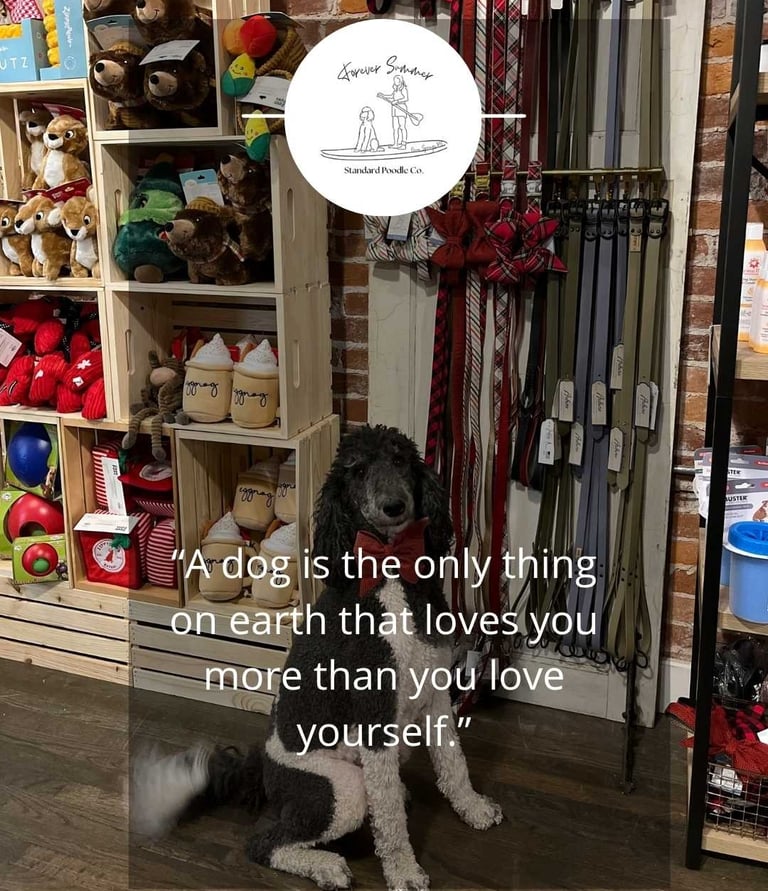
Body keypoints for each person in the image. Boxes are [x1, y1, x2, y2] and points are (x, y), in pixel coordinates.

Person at [377, 75, 408, 149]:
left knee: (402, 126)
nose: (395, 81)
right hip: (394, 110)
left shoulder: (403, 89)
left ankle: (403, 144)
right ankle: (396, 144)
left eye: (396, 80)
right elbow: (391, 96)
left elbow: (406, 98)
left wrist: (397, 101)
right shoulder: (395, 89)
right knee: (395, 128)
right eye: (394, 80)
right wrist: (383, 96)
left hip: (401, 109)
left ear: (400, 80)